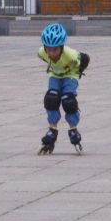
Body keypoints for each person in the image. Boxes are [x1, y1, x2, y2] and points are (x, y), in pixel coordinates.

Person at [38, 23, 90, 155]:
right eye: (48, 49)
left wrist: (79, 71)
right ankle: (52, 129)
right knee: (51, 98)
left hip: (70, 76)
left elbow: (85, 58)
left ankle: (73, 129)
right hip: (55, 75)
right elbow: (46, 59)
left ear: (61, 47)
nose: (51, 53)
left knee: (68, 100)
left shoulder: (71, 54)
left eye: (55, 50)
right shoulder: (41, 52)